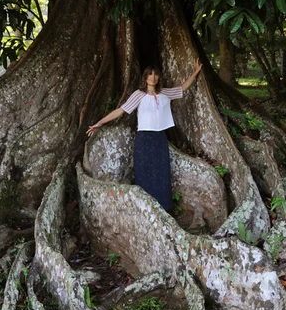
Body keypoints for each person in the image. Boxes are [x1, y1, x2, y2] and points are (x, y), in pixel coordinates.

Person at [87, 58, 203, 210]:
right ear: (145, 77)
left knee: (161, 173)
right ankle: (146, 209)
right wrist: (100, 123)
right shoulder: (138, 95)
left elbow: (182, 88)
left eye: (155, 74)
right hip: (144, 139)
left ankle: (164, 208)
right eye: (150, 74)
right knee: (144, 173)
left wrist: (195, 72)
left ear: (158, 77)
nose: (153, 77)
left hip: (160, 138)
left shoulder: (165, 93)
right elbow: (121, 111)